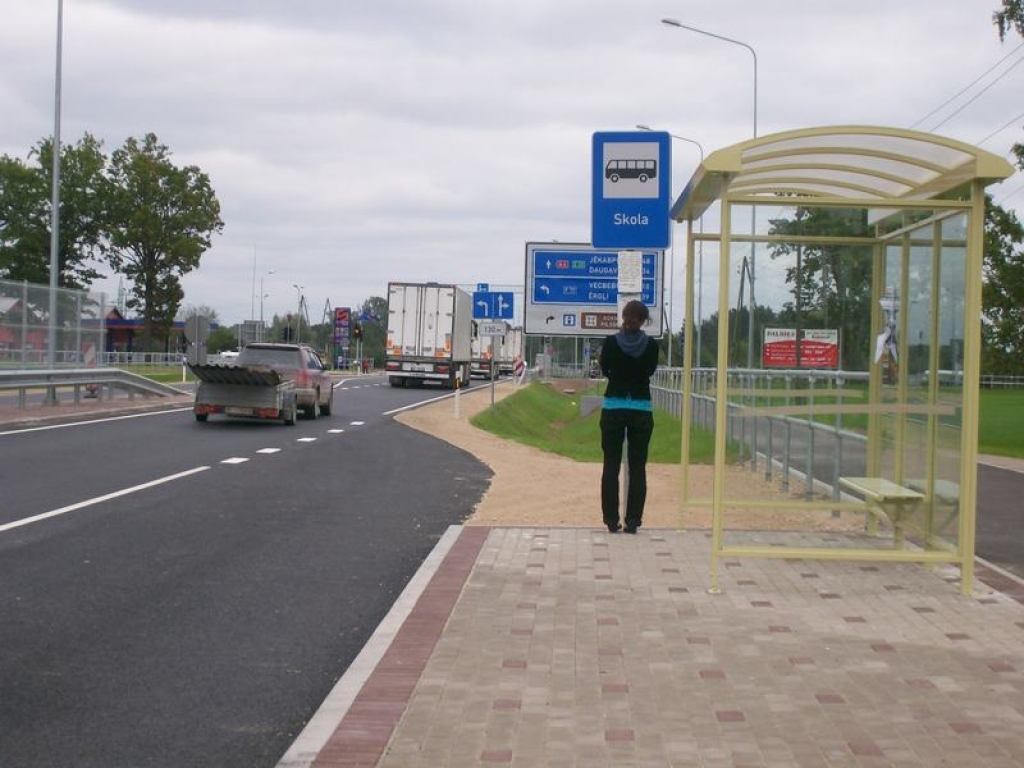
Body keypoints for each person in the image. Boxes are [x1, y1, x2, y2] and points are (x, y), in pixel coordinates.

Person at [599, 299, 659, 534]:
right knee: (638, 466)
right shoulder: (652, 346)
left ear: (623, 317)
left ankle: (611, 520)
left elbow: (605, 370)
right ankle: (633, 520)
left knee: (610, 466)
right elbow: (651, 371)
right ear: (644, 320)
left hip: (613, 407)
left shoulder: (611, 343)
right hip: (641, 409)